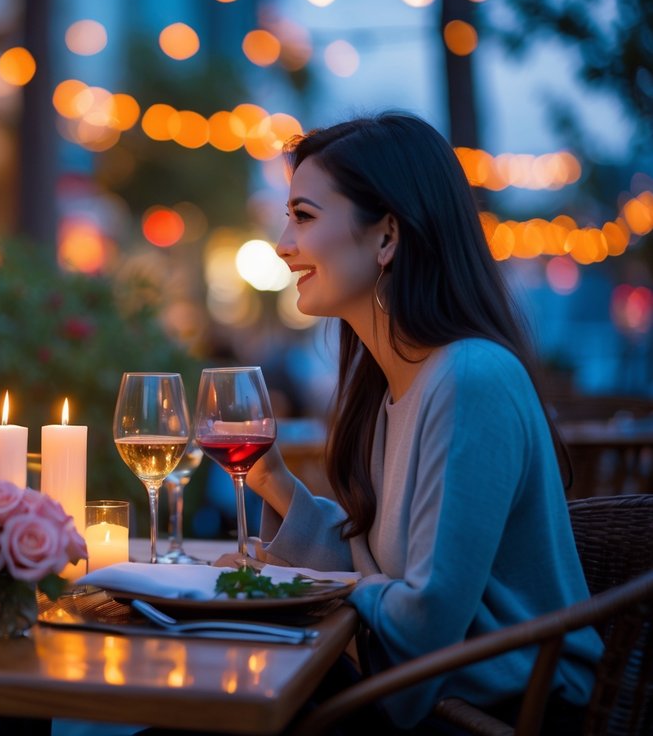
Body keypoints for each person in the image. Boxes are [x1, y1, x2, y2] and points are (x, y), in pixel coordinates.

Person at [249, 113, 602, 730]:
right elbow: (387, 575)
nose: (282, 243)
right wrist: (274, 480)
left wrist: (328, 590)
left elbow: (425, 620)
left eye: (303, 216)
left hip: (501, 716)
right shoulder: (398, 384)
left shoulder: (470, 379)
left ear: (387, 237)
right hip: (439, 698)